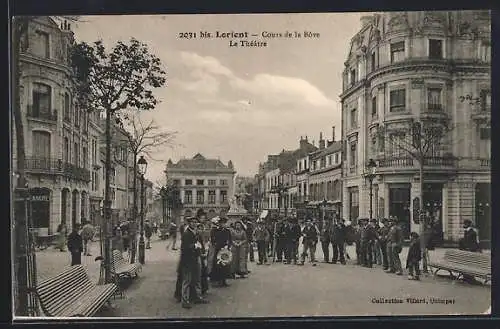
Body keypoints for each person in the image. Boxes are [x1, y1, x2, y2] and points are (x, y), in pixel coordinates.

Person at [177, 217, 208, 309]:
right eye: (192, 222)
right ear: (189, 223)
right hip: (188, 260)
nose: (194, 224)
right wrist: (193, 245)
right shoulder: (186, 233)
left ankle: (198, 297)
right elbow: (184, 248)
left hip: (196, 258)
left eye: (195, 222)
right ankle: (185, 300)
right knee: (187, 280)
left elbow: (200, 244)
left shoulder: (196, 233)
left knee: (197, 278)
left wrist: (202, 251)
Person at [207, 217, 232, 287]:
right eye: (221, 223)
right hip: (217, 250)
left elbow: (230, 239)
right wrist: (216, 244)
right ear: (219, 223)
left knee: (225, 264)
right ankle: (217, 280)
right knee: (217, 265)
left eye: (224, 223)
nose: (222, 224)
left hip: (225, 249)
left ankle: (224, 280)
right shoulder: (215, 230)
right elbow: (213, 239)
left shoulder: (227, 231)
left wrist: (228, 246)